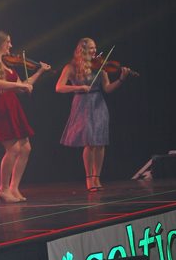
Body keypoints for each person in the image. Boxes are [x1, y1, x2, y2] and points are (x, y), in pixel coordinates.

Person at [0, 30, 51, 202]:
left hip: (12, 107)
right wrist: (17, 85)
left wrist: (40, 71)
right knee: (12, 149)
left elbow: (23, 86)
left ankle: (14, 187)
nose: (11, 46)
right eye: (8, 42)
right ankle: (2, 188)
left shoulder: (7, 65)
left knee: (26, 148)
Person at [56, 37, 130, 192]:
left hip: (98, 104)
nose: (94, 51)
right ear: (82, 50)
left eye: (95, 48)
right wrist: (79, 87)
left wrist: (122, 79)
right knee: (89, 142)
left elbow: (108, 88)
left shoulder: (100, 67)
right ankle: (89, 178)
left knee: (100, 142)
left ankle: (97, 177)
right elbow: (59, 87)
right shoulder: (71, 67)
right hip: (81, 104)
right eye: (91, 48)